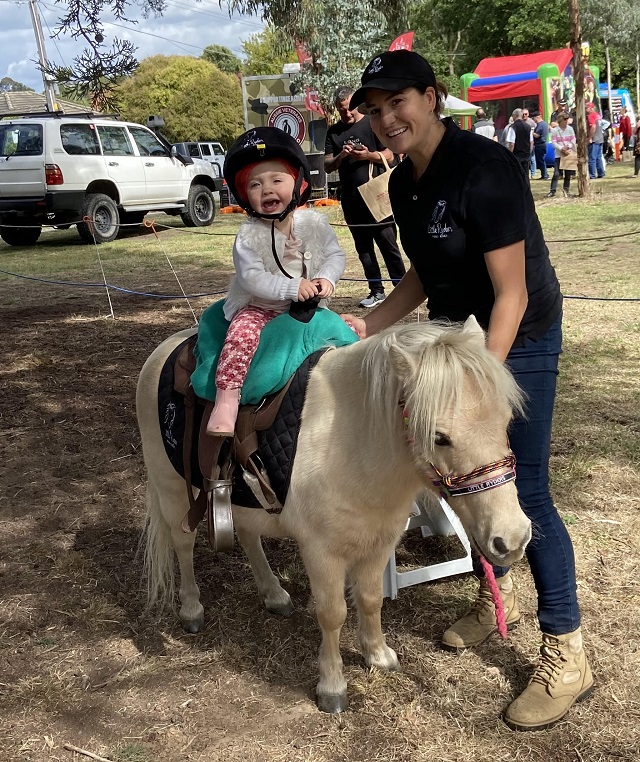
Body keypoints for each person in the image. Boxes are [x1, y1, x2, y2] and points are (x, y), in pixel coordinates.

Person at [342, 49, 593, 732]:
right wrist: (364, 325)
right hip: (459, 338)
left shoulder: (487, 168)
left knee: (525, 487)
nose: (387, 117)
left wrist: (482, 386)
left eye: (399, 101)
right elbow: (422, 277)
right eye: (375, 107)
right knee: (460, 474)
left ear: (431, 96)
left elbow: (510, 294)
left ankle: (567, 652)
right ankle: (495, 596)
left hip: (522, 332)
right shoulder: (400, 184)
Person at [206, 127, 346, 436]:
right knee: (240, 337)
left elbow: (335, 255)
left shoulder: (313, 224)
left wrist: (326, 278)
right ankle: (227, 399)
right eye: (255, 184)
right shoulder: (248, 236)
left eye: (277, 180)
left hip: (306, 307)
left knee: (343, 336)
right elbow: (251, 277)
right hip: (261, 307)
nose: (267, 189)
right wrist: (291, 287)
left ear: (299, 184)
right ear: (244, 195)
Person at [325, 86, 406, 308]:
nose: (347, 114)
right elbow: (327, 165)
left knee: (389, 245)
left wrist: (367, 155)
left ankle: (401, 290)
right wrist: (342, 155)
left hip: (376, 198)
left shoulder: (372, 123)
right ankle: (376, 290)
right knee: (364, 249)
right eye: (342, 111)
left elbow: (392, 154)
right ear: (337, 109)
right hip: (352, 200)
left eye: (350, 109)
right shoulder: (334, 132)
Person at [546, 113, 576, 198]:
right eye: (565, 119)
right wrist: (561, 148)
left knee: (568, 173)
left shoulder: (570, 129)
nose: (567, 121)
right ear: (560, 120)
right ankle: (552, 191)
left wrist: (568, 146)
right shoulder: (555, 130)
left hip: (568, 154)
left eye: (567, 119)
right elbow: (554, 142)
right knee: (556, 173)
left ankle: (566, 190)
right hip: (558, 154)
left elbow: (573, 139)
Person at [506, 108, 534, 176]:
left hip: (516, 155)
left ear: (514, 116)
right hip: (526, 154)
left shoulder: (513, 127)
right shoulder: (528, 126)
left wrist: (510, 155)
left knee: (517, 174)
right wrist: (529, 152)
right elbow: (531, 142)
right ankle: (526, 186)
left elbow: (512, 143)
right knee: (525, 175)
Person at [587, 102, 606, 179]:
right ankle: (601, 173)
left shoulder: (591, 116)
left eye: (586, 108)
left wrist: (590, 137)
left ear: (591, 108)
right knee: (598, 157)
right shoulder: (597, 115)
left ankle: (592, 174)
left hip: (594, 139)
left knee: (592, 158)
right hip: (600, 138)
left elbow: (593, 126)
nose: (585, 109)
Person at [531, 110, 550, 180]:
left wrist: (531, 132)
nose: (533, 120)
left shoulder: (540, 125)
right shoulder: (545, 124)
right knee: (542, 160)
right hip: (543, 144)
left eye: (533, 118)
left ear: (537, 117)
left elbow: (537, 135)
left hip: (540, 144)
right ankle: (544, 174)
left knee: (540, 160)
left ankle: (544, 175)